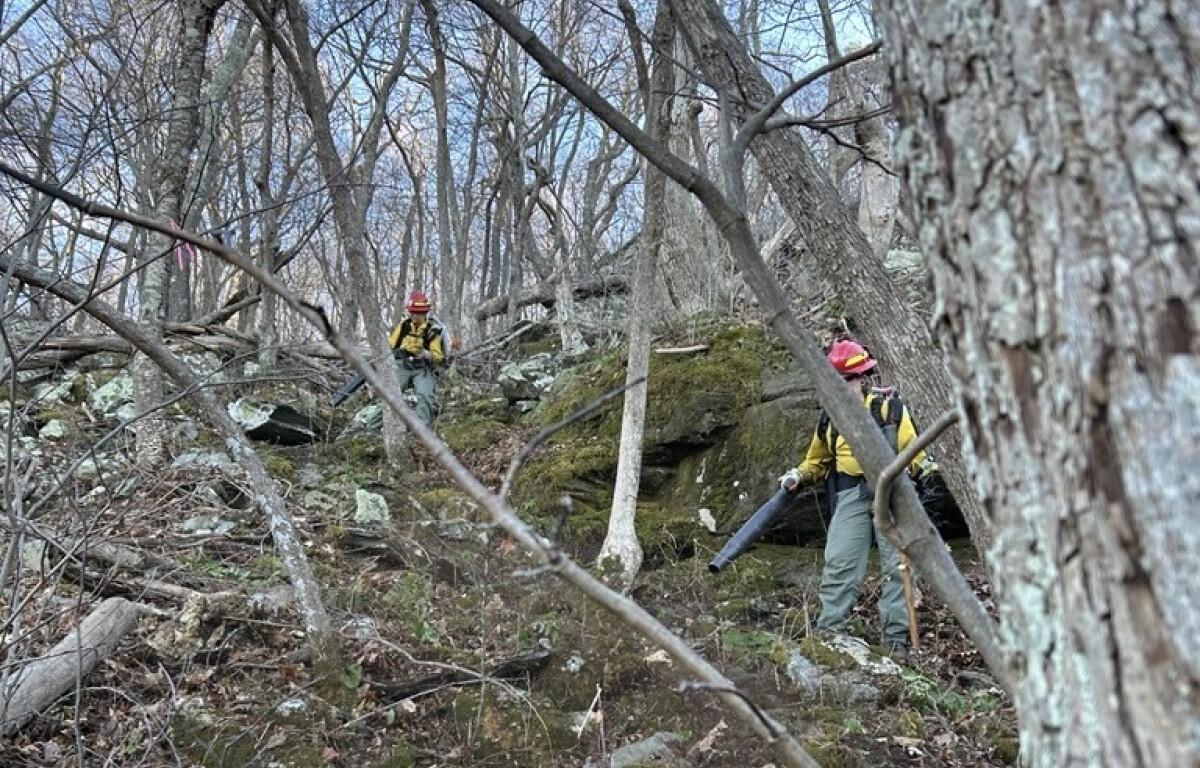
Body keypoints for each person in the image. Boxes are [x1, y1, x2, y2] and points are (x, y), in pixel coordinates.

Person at [778, 339, 934, 661]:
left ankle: (895, 642)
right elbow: (817, 460)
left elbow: (914, 450)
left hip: (894, 494)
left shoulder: (890, 409)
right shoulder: (830, 417)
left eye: (850, 379)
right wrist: (798, 475)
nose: (846, 386)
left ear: (861, 378)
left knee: (899, 568)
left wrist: (914, 472)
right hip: (852, 494)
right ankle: (830, 633)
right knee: (840, 562)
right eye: (839, 380)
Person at [387, 290, 445, 425]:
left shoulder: (432, 330)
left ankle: (423, 428)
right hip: (403, 365)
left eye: (416, 313)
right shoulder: (404, 326)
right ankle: (383, 425)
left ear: (423, 313)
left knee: (425, 395)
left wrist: (426, 354)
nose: (413, 315)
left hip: (423, 369)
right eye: (411, 312)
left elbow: (438, 357)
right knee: (390, 393)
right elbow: (391, 345)